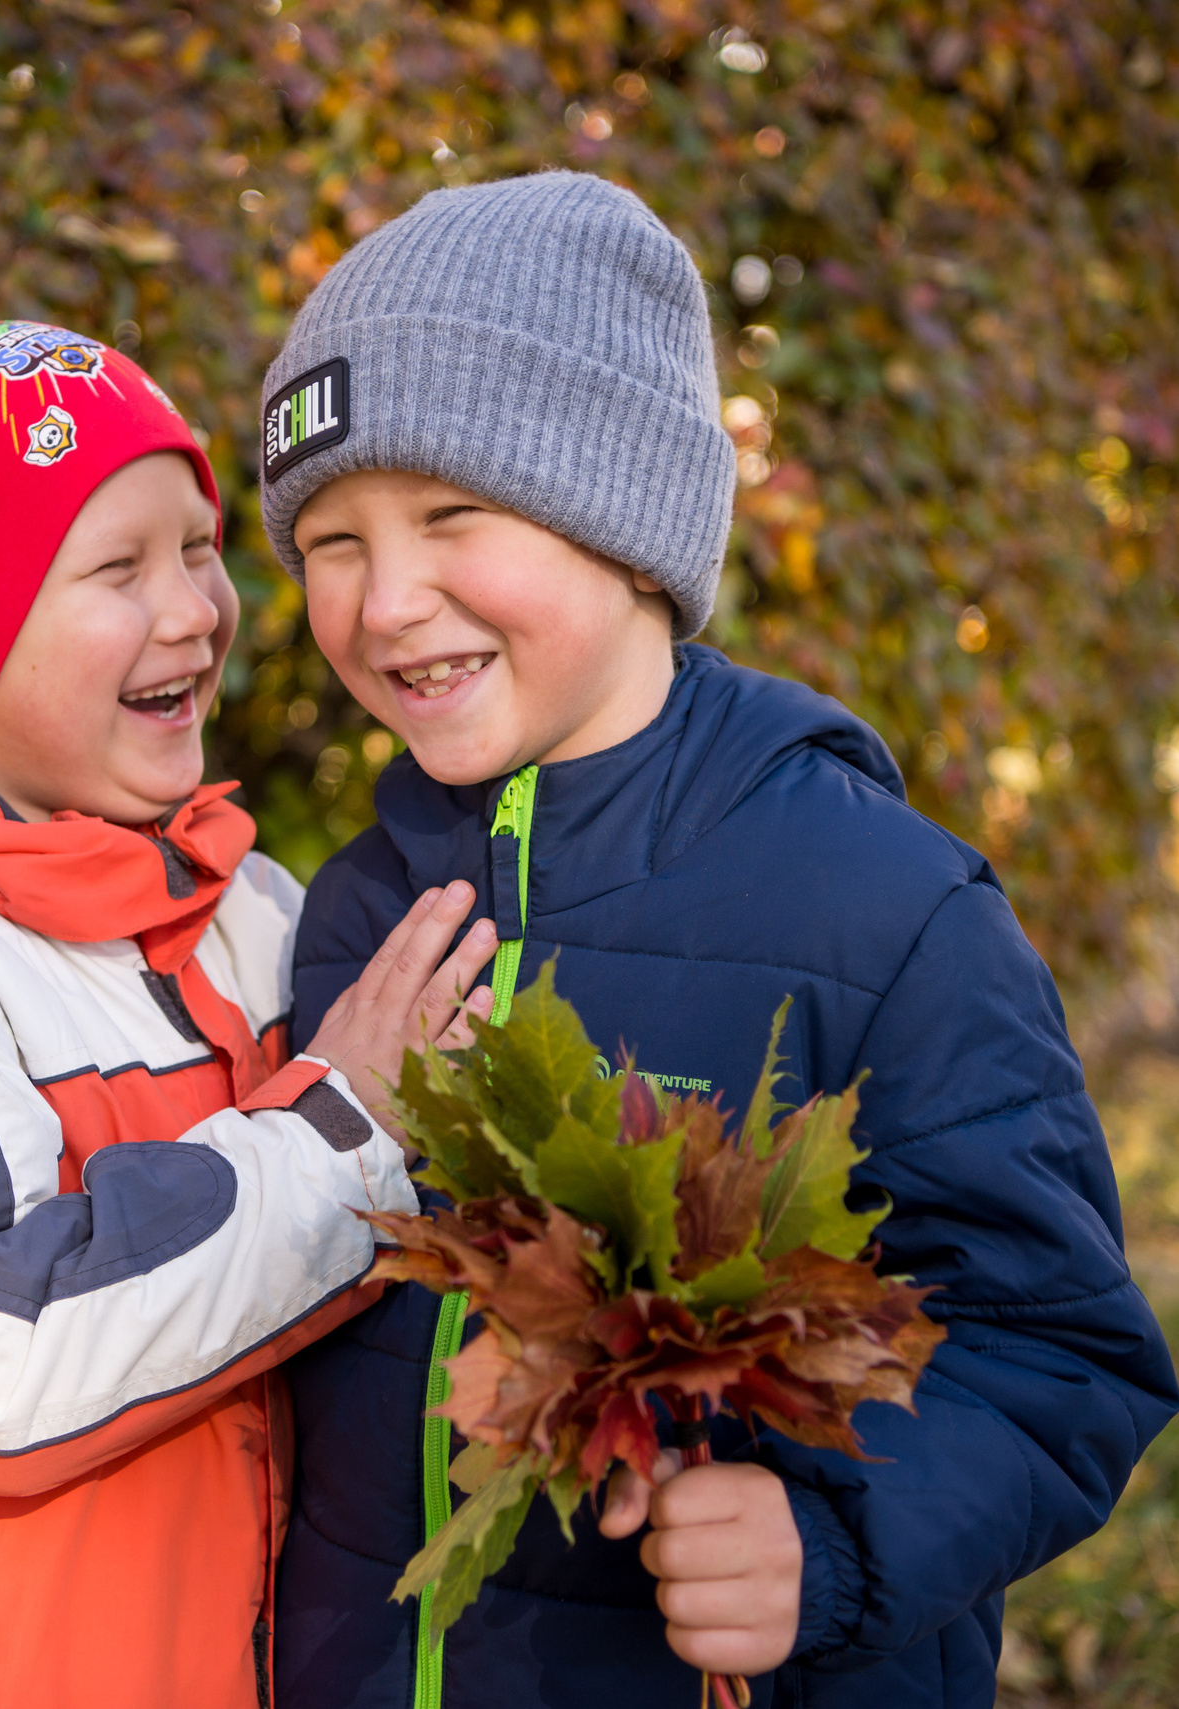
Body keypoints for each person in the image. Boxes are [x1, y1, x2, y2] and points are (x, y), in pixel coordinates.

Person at [258, 172, 1179, 1709]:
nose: (384, 599)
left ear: (625, 524)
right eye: (330, 540)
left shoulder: (878, 908)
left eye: (449, 515)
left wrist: (829, 1541)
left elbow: (1059, 1354)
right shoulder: (354, 914)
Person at [0, 306, 502, 1709]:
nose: (195, 608)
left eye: (197, 546)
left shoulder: (250, 911)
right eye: (117, 567)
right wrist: (342, 1129)